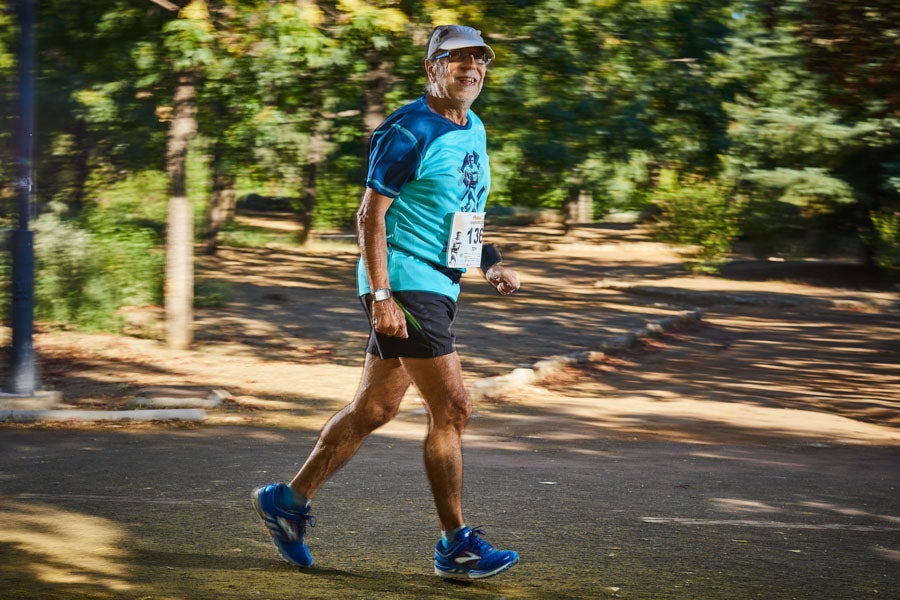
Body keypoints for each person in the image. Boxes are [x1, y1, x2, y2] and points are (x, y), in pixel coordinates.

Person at [252, 24, 521, 581]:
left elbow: (460, 208)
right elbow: (369, 216)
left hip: (439, 282)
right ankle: (456, 545)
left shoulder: (473, 128)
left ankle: (288, 501)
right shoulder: (407, 130)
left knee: (375, 409)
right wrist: (380, 296)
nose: (470, 68)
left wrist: (488, 260)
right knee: (453, 409)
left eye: (479, 60)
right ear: (432, 68)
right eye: (456, 59)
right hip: (403, 281)